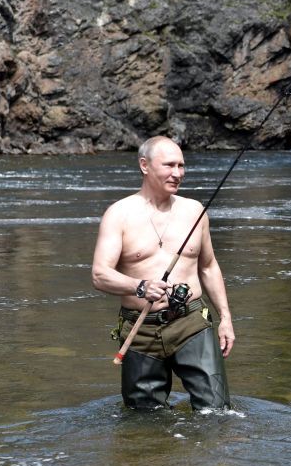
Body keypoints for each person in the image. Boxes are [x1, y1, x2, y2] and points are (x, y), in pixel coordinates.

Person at [92, 136, 235, 409]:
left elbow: (208, 266)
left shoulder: (195, 211)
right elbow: (100, 275)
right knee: (144, 420)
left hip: (191, 322)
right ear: (144, 165)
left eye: (181, 165)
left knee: (216, 412)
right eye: (169, 165)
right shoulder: (119, 214)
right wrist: (140, 286)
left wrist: (225, 318)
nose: (178, 173)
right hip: (139, 329)